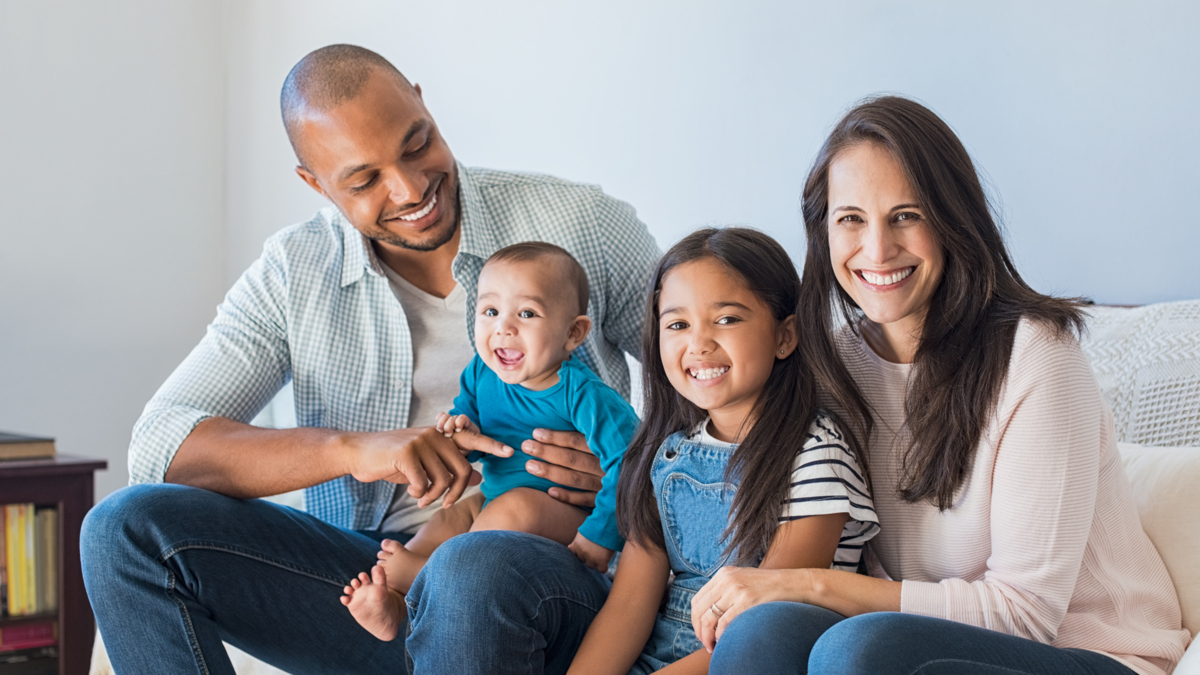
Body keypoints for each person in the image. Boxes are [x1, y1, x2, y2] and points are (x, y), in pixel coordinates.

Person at [80, 44, 660, 674]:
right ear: (314, 182)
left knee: (474, 562)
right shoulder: (293, 272)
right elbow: (161, 446)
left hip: (547, 570)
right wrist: (354, 451)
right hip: (381, 582)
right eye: (364, 180)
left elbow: (712, 389)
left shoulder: (582, 225)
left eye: (417, 144)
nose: (411, 188)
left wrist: (629, 475)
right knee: (123, 529)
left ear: (421, 100)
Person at [696, 97, 1192, 675]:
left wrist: (811, 584)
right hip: (917, 646)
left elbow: (1025, 615)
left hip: (1093, 655)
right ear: (823, 230)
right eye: (851, 219)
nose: (877, 250)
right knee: (765, 631)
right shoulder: (830, 360)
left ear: (953, 220)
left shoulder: (1035, 356)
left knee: (856, 648)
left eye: (906, 215)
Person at [567, 227, 879, 674]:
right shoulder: (667, 455)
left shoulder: (815, 454)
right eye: (677, 324)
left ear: (784, 336)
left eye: (727, 319)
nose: (699, 343)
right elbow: (629, 605)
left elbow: (762, 623)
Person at [342, 242, 639, 642]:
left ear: (573, 333)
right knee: (450, 518)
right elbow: (473, 428)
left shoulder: (583, 394)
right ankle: (397, 602)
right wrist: (459, 432)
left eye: (527, 313)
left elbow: (633, 461)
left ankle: (429, 576)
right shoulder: (481, 372)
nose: (504, 327)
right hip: (494, 504)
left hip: (562, 516)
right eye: (490, 311)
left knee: (514, 508)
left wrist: (600, 536)